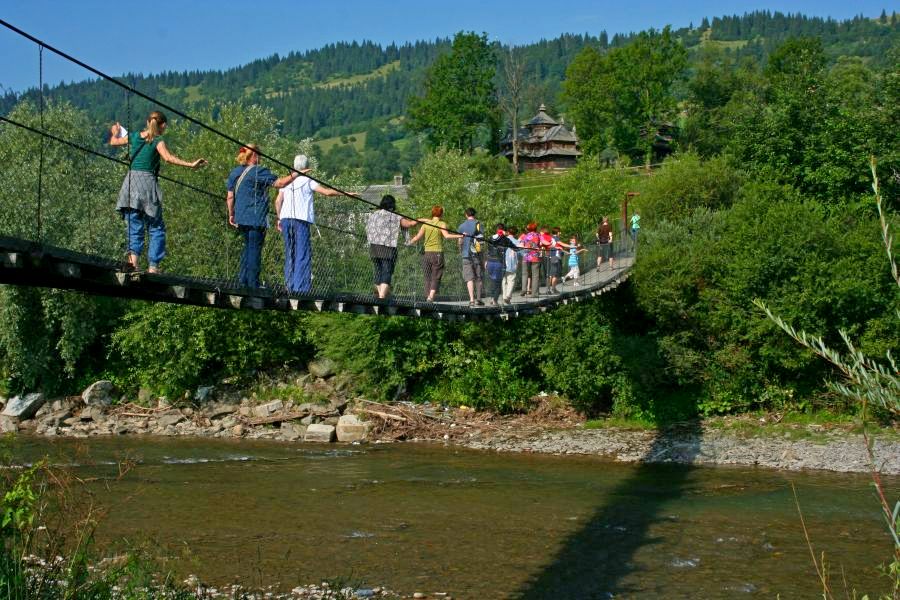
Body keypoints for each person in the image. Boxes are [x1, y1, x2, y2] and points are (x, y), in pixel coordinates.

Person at [109, 111, 206, 273]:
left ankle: (133, 263)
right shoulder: (157, 140)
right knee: (155, 226)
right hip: (147, 183)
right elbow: (168, 158)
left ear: (148, 122)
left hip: (131, 183)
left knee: (134, 224)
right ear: (163, 126)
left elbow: (113, 142)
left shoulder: (133, 137)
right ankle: (153, 266)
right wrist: (191, 164)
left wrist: (115, 132)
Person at [226, 144, 300, 289]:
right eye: (258, 154)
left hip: (241, 218)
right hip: (256, 218)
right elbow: (279, 183)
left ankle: (243, 281)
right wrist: (297, 173)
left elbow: (229, 197)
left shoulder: (235, 173)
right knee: (254, 250)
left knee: (247, 248)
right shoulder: (259, 171)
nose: (260, 157)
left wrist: (231, 214)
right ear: (253, 155)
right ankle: (253, 285)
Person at [274, 154, 348, 294]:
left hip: (285, 219)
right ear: (307, 167)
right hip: (301, 220)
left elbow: (278, 201)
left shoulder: (287, 180)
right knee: (302, 253)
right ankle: (301, 289)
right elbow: (326, 192)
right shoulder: (308, 180)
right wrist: (345, 193)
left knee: (290, 252)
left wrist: (279, 219)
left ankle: (289, 286)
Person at [406, 205, 462, 301]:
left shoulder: (426, 224)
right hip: (437, 253)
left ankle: (427, 296)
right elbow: (447, 236)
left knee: (427, 276)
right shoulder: (441, 224)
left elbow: (417, 237)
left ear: (432, 213)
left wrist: (408, 243)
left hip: (426, 254)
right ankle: (431, 296)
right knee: (436, 275)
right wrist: (460, 235)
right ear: (441, 214)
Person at [366, 195, 417, 299]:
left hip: (374, 246)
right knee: (387, 270)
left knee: (378, 271)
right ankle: (382, 296)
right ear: (392, 204)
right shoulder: (394, 216)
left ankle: (380, 295)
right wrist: (420, 220)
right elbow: (408, 224)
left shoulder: (373, 215)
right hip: (387, 247)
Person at [458, 207, 485, 306]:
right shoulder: (479, 224)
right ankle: (479, 299)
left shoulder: (461, 226)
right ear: (474, 214)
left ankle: (471, 300)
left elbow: (460, 240)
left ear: (466, 214)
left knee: (469, 278)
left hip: (466, 255)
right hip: (477, 254)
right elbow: (482, 241)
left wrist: (460, 251)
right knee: (478, 277)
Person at [485, 223, 517, 306]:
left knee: (492, 281)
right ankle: (495, 301)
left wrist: (486, 261)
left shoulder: (490, 238)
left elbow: (488, 250)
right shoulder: (505, 239)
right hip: (499, 263)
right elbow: (515, 249)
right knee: (498, 283)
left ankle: (492, 299)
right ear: (504, 230)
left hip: (490, 262)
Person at [518, 222, 541, 296]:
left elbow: (520, 244)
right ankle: (534, 293)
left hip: (526, 256)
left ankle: (523, 290)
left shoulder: (524, 236)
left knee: (525, 274)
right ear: (535, 228)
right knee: (535, 275)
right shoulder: (538, 235)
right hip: (535, 257)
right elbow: (544, 243)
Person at [502, 226, 520, 304]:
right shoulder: (517, 242)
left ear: (508, 232)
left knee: (504, 281)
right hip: (513, 263)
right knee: (511, 280)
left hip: (503, 263)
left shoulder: (503, 240)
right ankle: (508, 296)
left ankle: (504, 296)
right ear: (515, 233)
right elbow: (520, 252)